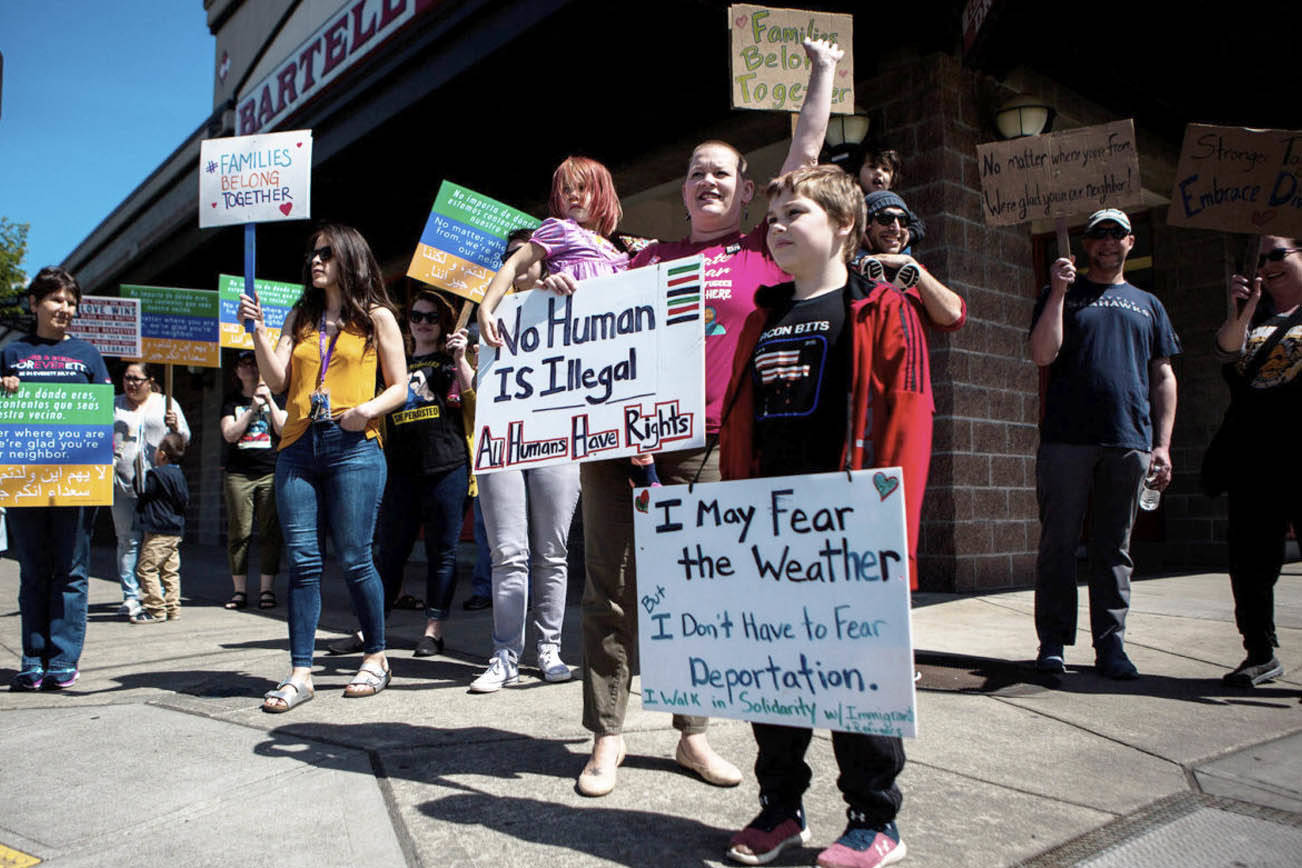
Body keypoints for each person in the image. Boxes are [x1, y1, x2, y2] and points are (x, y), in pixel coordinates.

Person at [536, 38, 844, 797]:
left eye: (722, 173)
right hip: (616, 442)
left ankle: (693, 736)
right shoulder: (641, 260)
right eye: (696, 171)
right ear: (684, 191)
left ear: (747, 194)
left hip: (704, 443)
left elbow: (804, 157)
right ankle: (606, 737)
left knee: (695, 590)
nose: (706, 179)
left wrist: (823, 72)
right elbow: (572, 298)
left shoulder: (758, 251)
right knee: (606, 585)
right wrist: (553, 288)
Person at [719, 165, 928, 868]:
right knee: (772, 671)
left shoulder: (881, 309)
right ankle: (781, 809)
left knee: (855, 678)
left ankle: (876, 820)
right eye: (772, 216)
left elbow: (907, 423)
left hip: (849, 531)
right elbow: (742, 423)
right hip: (768, 533)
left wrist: (889, 538)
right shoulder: (764, 316)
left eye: (795, 213)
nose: (777, 226)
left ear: (844, 225)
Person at [238, 223, 408, 712]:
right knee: (304, 561)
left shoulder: (376, 317)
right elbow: (276, 376)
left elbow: (400, 386)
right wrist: (257, 331)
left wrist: (368, 411)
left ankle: (376, 657)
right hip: (297, 445)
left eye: (326, 254)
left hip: (354, 443)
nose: (315, 261)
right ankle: (300, 673)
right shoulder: (301, 316)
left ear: (349, 258)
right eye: (312, 254)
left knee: (355, 557)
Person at [1028, 208, 1180, 679]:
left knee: (1114, 548)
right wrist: (1057, 291)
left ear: (1131, 242)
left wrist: (1163, 444)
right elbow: (1042, 354)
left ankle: (1110, 645)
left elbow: (1163, 375)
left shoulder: (1148, 304)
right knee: (1058, 544)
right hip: (1066, 439)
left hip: (1128, 439)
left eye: (1116, 235)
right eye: (1098, 236)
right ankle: (1053, 643)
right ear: (1086, 243)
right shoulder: (1063, 294)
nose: (1107, 243)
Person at [472, 204, 604, 691]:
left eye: (523, 253)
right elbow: (476, 389)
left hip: (554, 440)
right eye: (508, 255)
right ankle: (505, 653)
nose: (516, 260)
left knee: (552, 551)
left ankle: (548, 648)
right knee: (508, 551)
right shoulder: (488, 318)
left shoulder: (567, 299)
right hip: (503, 440)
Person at [332, 290, 474, 658]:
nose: (423, 323)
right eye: (416, 316)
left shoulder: (450, 361)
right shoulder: (392, 364)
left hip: (447, 465)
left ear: (443, 323)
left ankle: (433, 630)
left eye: (431, 317)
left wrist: (460, 357)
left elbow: (476, 396)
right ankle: (370, 630)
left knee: (441, 552)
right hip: (399, 469)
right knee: (388, 553)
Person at [3, 266, 112, 690]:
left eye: (71, 302)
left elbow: (102, 413)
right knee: (33, 571)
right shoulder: (12, 353)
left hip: (76, 482)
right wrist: (3, 387)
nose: (64, 308)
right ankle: (32, 658)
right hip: (26, 481)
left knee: (70, 570)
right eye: (56, 300)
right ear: (34, 304)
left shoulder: (88, 355)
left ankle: (63, 659)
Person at [1211, 235, 1302, 686]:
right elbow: (1227, 352)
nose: (1266, 264)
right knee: (1249, 561)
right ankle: (1260, 652)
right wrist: (1243, 310)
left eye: (1278, 255)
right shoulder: (1255, 319)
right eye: (1261, 258)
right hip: (1252, 460)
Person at [111, 362, 190, 619]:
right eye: (127, 378)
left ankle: (164, 601)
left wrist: (176, 425)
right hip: (123, 484)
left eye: (137, 379)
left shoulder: (165, 402)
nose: (131, 383)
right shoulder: (114, 404)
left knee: (157, 547)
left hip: (157, 491)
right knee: (127, 540)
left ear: (150, 380)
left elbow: (184, 438)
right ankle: (131, 596)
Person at [220, 350, 286, 610]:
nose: (249, 368)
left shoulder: (276, 397)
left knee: (270, 532)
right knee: (240, 532)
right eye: (243, 364)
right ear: (237, 372)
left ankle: (266, 590)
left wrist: (269, 401)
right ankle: (239, 591)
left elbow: (283, 429)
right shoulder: (231, 401)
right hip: (239, 474)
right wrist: (251, 410)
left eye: (254, 364)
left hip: (270, 471)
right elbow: (229, 434)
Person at [854, 190, 965, 330]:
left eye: (902, 220)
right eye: (885, 218)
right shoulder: (848, 270)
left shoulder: (912, 273)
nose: (896, 228)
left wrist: (910, 262)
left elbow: (953, 316)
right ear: (867, 226)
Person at [129, 432, 189, 624]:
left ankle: (155, 609)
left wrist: (137, 469)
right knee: (170, 571)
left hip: (158, 531)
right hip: (174, 530)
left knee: (146, 569)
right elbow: (184, 500)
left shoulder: (156, 475)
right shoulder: (179, 474)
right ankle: (173, 608)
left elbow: (142, 490)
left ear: (162, 454)